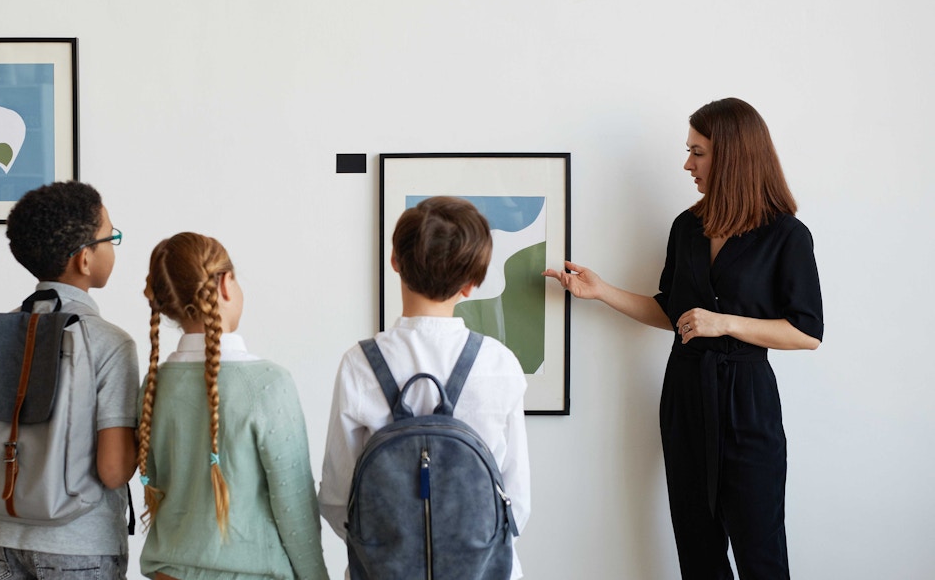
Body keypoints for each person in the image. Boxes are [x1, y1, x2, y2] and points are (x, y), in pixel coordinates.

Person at [543, 97, 823, 579]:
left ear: (731, 155)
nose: (687, 163)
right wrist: (602, 291)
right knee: (697, 552)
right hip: (686, 394)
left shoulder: (786, 236)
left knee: (761, 554)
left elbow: (807, 332)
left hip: (747, 401)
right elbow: (675, 312)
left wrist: (727, 323)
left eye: (698, 152)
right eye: (689, 150)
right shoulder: (686, 228)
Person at [319, 196, 532, 579]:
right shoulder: (499, 363)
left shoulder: (360, 363)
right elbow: (516, 502)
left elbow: (338, 501)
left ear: (395, 263)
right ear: (472, 283)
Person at [136, 232, 328, 580]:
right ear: (225, 284)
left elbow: (154, 478)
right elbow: (294, 507)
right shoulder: (269, 383)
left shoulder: (154, 383)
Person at [0, 181, 141, 579]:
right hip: (81, 543)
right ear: (85, 259)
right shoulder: (109, 342)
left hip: (8, 536)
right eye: (111, 237)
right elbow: (112, 470)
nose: (113, 246)